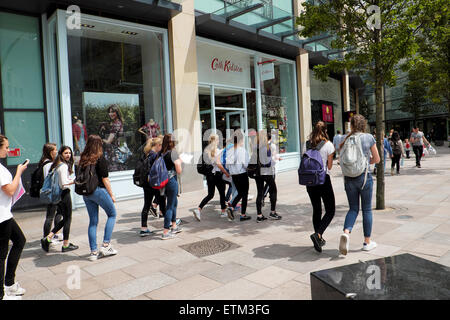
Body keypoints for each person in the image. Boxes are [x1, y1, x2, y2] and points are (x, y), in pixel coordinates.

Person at [339, 114, 380, 255]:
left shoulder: (345, 139)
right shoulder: (368, 138)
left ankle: (346, 232)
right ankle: (367, 242)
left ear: (351, 125)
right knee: (367, 210)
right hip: (364, 178)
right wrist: (367, 163)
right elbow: (377, 158)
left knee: (353, 209)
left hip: (349, 179)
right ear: (364, 125)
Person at [79, 135, 118, 261]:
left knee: (93, 221)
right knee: (112, 214)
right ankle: (106, 245)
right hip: (98, 190)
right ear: (99, 144)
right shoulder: (100, 158)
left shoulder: (83, 158)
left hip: (86, 193)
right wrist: (111, 194)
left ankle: (93, 252)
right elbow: (105, 179)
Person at [0, 135, 28, 300]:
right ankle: (4, 292)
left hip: (5, 214)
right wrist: (19, 172)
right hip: (2, 216)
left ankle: (9, 284)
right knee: (1, 254)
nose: (8, 150)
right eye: (6, 147)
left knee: (20, 240)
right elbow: (9, 190)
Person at [304, 122, 335, 252]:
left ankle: (317, 240)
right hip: (323, 180)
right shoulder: (328, 145)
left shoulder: (308, 144)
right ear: (325, 130)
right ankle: (318, 234)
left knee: (316, 210)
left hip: (310, 181)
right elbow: (329, 166)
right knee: (330, 210)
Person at [40, 146, 78, 253]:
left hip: (59, 196)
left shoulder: (56, 165)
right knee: (68, 219)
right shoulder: (63, 166)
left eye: (69, 153)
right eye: (66, 153)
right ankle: (65, 245)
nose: (68, 155)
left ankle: (48, 237)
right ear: (61, 153)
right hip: (64, 194)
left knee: (66, 218)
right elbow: (64, 184)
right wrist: (74, 181)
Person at [193, 134, 227, 221]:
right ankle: (223, 211)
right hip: (218, 175)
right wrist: (226, 173)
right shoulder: (217, 151)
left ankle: (199, 209)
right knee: (222, 193)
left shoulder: (206, 151)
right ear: (215, 141)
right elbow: (219, 164)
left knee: (210, 194)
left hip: (210, 176)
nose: (219, 141)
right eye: (218, 140)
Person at [254, 130, 282, 223]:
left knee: (260, 193)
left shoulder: (256, 147)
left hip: (258, 173)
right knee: (273, 190)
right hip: (267, 172)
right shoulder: (270, 146)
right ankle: (272, 212)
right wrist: (276, 159)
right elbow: (271, 161)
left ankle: (259, 215)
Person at [139, 137, 164, 236]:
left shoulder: (146, 154)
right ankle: (170, 225)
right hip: (154, 184)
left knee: (146, 205)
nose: (161, 148)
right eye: (161, 146)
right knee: (163, 204)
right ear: (157, 146)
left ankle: (143, 228)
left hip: (146, 184)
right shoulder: (155, 156)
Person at [160, 134, 183, 239]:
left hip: (163, 181)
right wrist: (179, 163)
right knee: (170, 205)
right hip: (171, 181)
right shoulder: (173, 153)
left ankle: (174, 226)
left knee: (174, 202)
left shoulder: (161, 153)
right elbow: (179, 170)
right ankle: (165, 231)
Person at [39, 143, 63, 241]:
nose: (57, 151)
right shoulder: (48, 164)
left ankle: (55, 233)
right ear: (50, 152)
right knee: (51, 216)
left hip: (52, 192)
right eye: (55, 150)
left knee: (58, 213)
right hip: (52, 193)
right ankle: (47, 237)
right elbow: (50, 179)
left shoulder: (45, 162)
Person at [226, 129, 251, 222]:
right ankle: (242, 214)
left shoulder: (229, 150)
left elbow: (227, 165)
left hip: (234, 175)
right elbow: (246, 164)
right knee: (244, 194)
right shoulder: (242, 150)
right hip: (242, 174)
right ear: (241, 140)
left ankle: (231, 207)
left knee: (240, 193)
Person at [103, 104, 126, 171]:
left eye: (113, 112)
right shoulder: (119, 122)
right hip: (118, 151)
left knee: (114, 170)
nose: (110, 114)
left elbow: (108, 141)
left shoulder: (116, 124)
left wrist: (100, 139)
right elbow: (121, 138)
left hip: (114, 153)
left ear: (117, 112)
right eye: (109, 112)